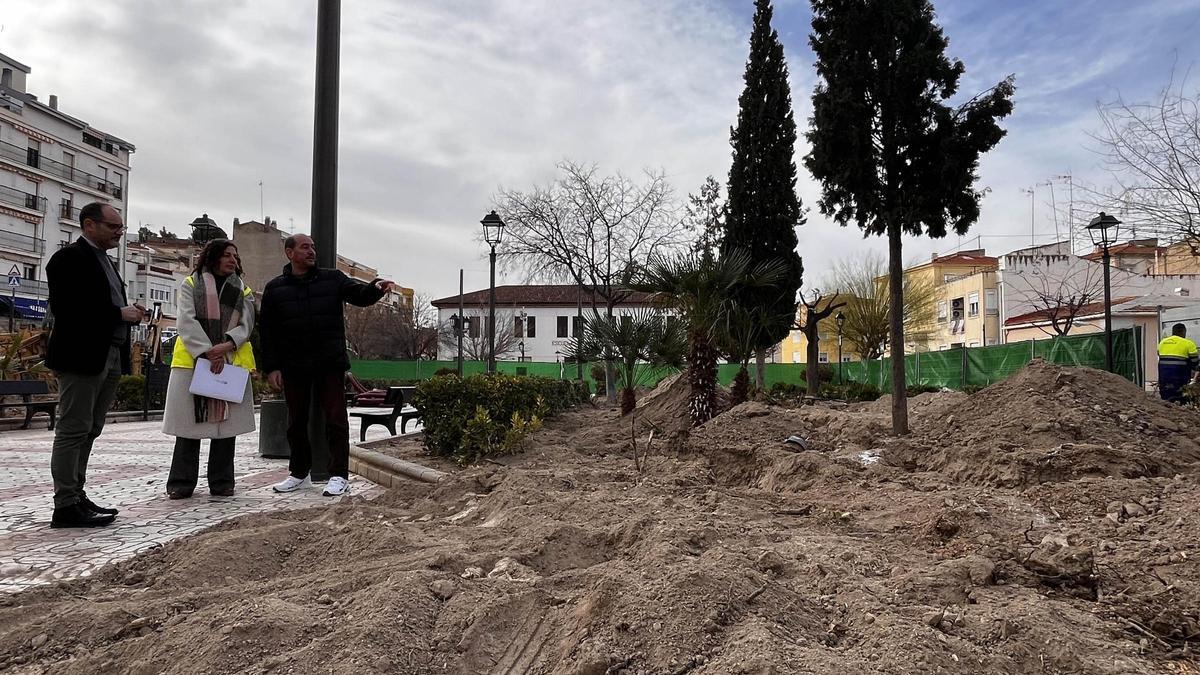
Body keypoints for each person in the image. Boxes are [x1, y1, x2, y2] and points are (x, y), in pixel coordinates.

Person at [259, 234, 395, 496]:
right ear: (290, 253)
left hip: (328, 363)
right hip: (294, 365)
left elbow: (358, 294)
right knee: (295, 422)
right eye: (304, 247)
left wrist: (376, 288)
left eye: (313, 246)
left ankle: (338, 476)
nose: (311, 251)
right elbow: (268, 331)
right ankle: (299, 473)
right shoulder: (275, 289)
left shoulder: (332, 279)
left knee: (335, 419)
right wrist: (272, 367)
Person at [45, 202, 145, 528]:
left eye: (121, 227)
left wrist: (126, 312)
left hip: (110, 353)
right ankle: (65, 505)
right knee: (73, 429)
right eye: (113, 226)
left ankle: (76, 495)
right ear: (89, 225)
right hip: (81, 356)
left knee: (91, 429)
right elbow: (68, 308)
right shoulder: (67, 259)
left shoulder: (106, 261)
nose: (119, 232)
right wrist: (119, 313)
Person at [161, 239, 257, 499]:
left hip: (229, 362)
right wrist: (207, 350)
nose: (232, 260)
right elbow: (186, 321)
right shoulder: (191, 284)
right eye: (226, 255)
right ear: (213, 257)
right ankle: (181, 482)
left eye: (235, 256)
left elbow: (247, 325)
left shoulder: (243, 290)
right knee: (188, 427)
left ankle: (222, 481)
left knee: (225, 430)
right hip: (193, 363)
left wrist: (225, 346)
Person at [1157, 323, 1198, 403]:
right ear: (1184, 332)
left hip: (1163, 378)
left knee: (1166, 401)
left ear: (1173, 332)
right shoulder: (1188, 343)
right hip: (1180, 379)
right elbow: (1195, 363)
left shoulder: (1162, 342)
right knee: (1180, 400)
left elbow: (1159, 354)